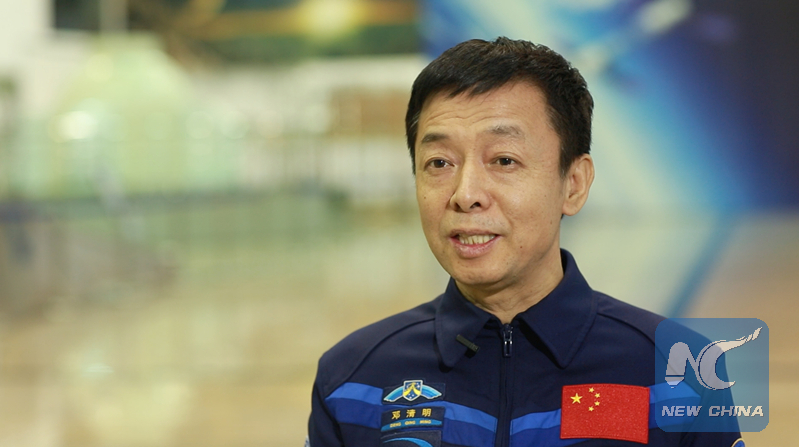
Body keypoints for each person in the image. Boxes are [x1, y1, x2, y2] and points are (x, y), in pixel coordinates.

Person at [307, 37, 743, 447]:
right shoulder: (352, 380)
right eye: (439, 162)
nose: (465, 194)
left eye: (504, 159)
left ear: (574, 184)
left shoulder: (681, 374)